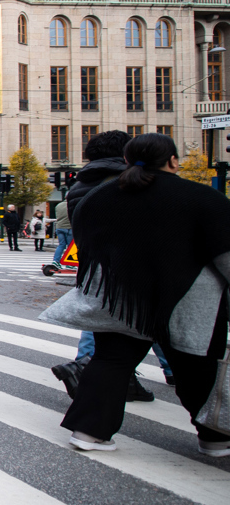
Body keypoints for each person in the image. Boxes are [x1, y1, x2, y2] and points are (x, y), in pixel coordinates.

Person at [41, 133, 230, 457]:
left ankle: (89, 431)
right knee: (197, 367)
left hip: (120, 296)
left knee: (111, 360)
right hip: (186, 297)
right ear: (173, 161)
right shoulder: (202, 197)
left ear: (127, 161)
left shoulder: (99, 198)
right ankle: (214, 437)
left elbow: (87, 246)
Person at [49, 130, 157, 401]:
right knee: (151, 324)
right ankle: (86, 367)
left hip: (94, 265)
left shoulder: (79, 184)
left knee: (103, 319)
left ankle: (103, 371)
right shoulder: (127, 181)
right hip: (134, 266)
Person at [51, 199, 72, 268]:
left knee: (61, 245)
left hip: (59, 227)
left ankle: (56, 261)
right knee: (70, 246)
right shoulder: (71, 205)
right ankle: (69, 263)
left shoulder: (58, 205)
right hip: (69, 227)